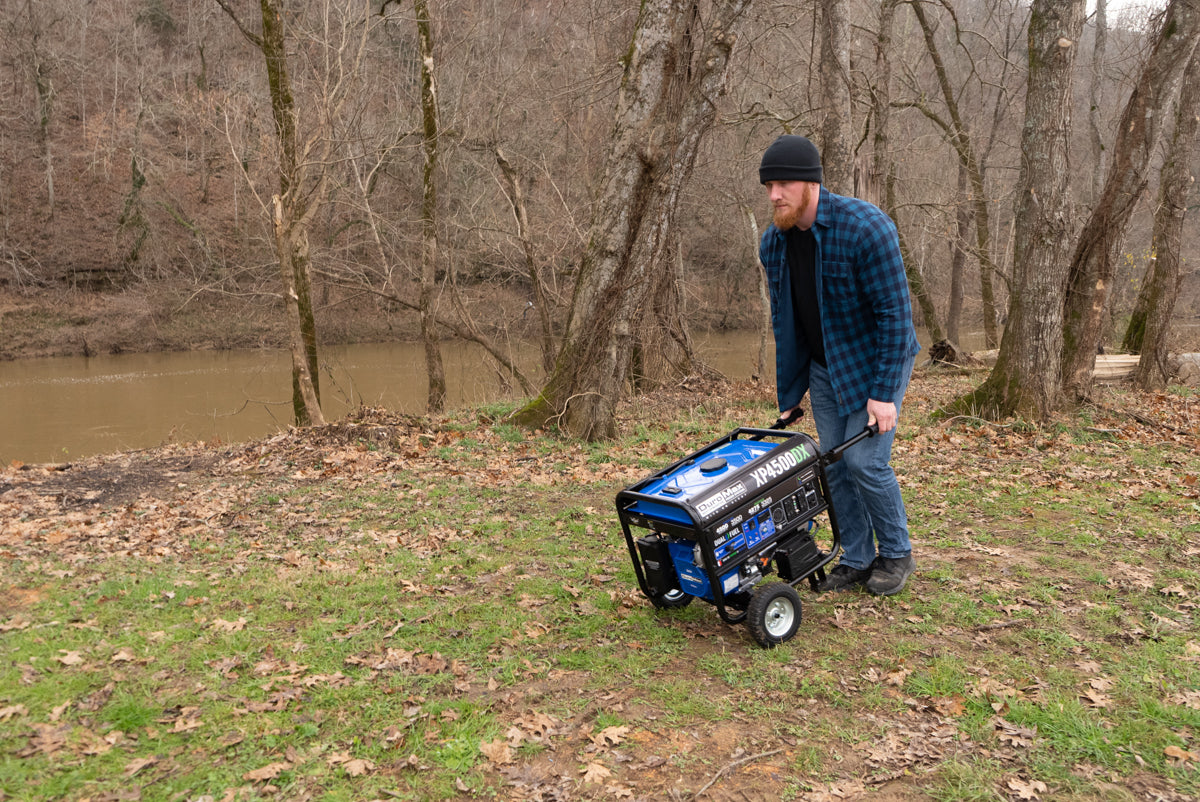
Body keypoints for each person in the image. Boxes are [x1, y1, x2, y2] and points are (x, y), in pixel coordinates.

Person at [758, 134, 921, 596]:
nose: (774, 195)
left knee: (864, 462)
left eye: (784, 184)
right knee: (832, 465)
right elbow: (786, 324)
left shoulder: (866, 227)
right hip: (825, 369)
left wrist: (885, 393)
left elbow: (895, 315)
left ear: (811, 184)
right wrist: (790, 396)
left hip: (876, 361)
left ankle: (895, 553)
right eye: (769, 185)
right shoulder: (775, 243)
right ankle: (856, 557)